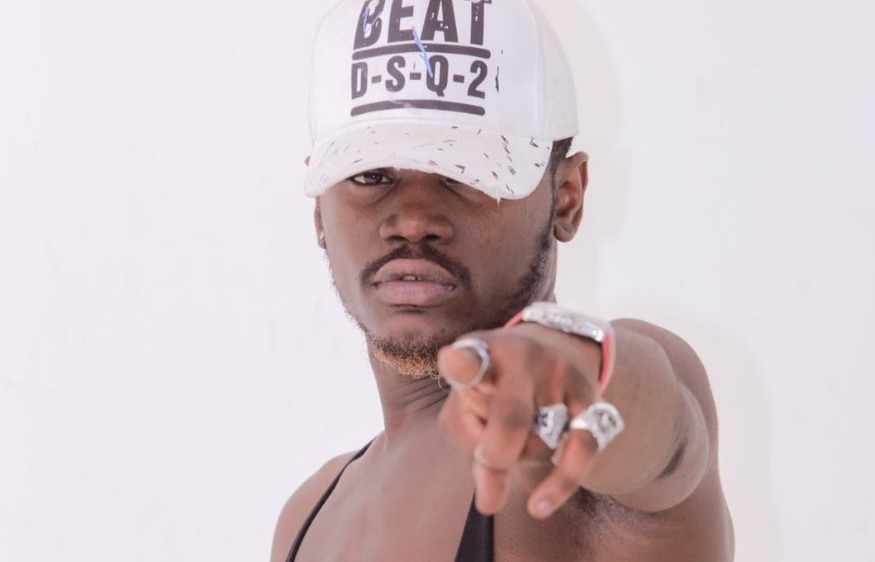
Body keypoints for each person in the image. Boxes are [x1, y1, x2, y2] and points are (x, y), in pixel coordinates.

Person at [271, 0, 734, 560]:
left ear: (567, 196)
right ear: (319, 211)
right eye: (370, 175)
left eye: (464, 174)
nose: (413, 219)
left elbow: (667, 434)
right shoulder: (309, 515)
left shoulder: (577, 468)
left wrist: (584, 372)